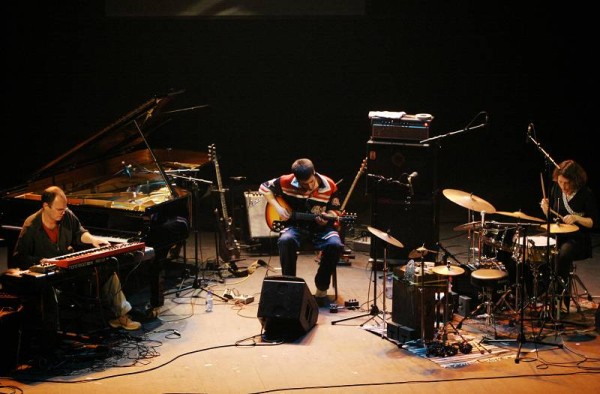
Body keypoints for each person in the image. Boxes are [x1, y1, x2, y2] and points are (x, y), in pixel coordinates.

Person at [12, 186, 142, 330]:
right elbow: (19, 257)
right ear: (45, 206)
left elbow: (79, 232)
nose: (63, 212)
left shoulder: (67, 215)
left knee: (107, 271)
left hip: (68, 268)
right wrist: (40, 261)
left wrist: (92, 239)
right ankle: (54, 331)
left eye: (64, 208)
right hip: (50, 275)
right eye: (59, 209)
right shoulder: (31, 225)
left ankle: (120, 316)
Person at [259, 158, 344, 304]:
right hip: (295, 227)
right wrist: (278, 208)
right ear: (297, 180)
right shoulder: (286, 181)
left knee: (335, 245)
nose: (309, 186)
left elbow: (336, 211)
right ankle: (290, 285)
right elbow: (264, 187)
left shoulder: (329, 184)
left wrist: (327, 217)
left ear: (314, 173)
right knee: (285, 241)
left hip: (321, 229)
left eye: (311, 181)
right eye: (304, 184)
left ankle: (322, 287)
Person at [540, 159, 598, 309]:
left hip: (578, 239)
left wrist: (577, 218)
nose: (563, 186)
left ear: (575, 180)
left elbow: (593, 222)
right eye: (560, 182)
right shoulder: (556, 189)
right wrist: (545, 208)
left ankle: (560, 301)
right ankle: (541, 293)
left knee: (563, 254)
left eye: (567, 183)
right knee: (538, 248)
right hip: (559, 234)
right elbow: (551, 216)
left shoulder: (586, 193)